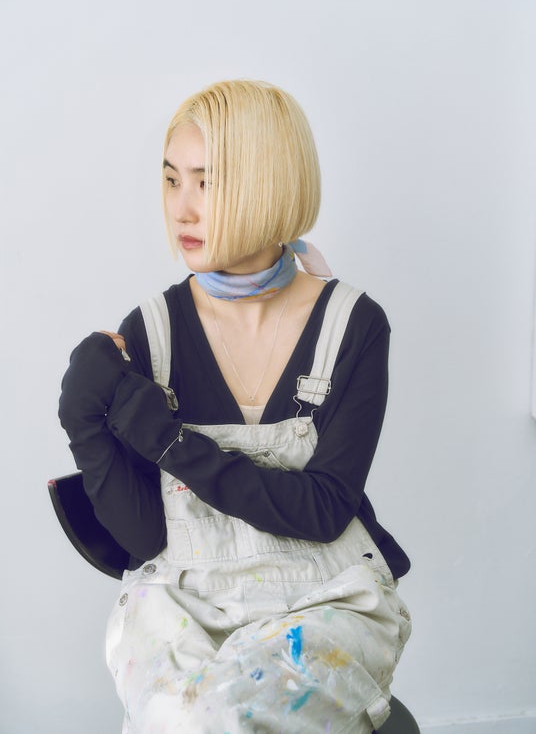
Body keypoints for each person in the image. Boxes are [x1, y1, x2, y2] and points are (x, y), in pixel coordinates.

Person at [59, 79, 411, 734]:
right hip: (184, 599)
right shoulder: (151, 332)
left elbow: (322, 509)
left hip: (324, 598)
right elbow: (146, 539)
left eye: (207, 182)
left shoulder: (352, 325)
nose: (181, 209)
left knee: (228, 714)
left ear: (269, 185)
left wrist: (168, 441)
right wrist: (85, 421)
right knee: (181, 716)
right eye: (172, 180)